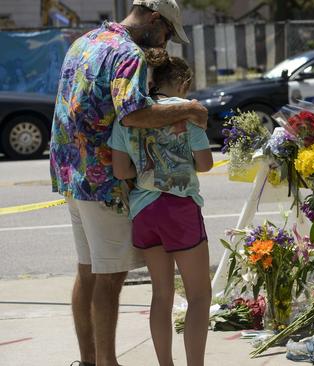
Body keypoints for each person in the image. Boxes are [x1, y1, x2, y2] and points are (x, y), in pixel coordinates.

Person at [48, 1, 207, 365]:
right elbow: (134, 113)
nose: (165, 43)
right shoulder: (127, 52)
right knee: (109, 276)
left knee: (88, 270)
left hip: (71, 175)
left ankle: (90, 360)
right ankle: (107, 363)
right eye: (166, 32)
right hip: (103, 180)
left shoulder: (85, 41)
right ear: (154, 19)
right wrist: (189, 109)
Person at [109, 50, 213, 366]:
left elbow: (121, 170)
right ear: (182, 82)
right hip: (179, 209)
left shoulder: (129, 116)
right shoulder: (187, 114)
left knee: (161, 295)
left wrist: (148, 169)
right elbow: (205, 163)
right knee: (198, 296)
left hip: (144, 211)